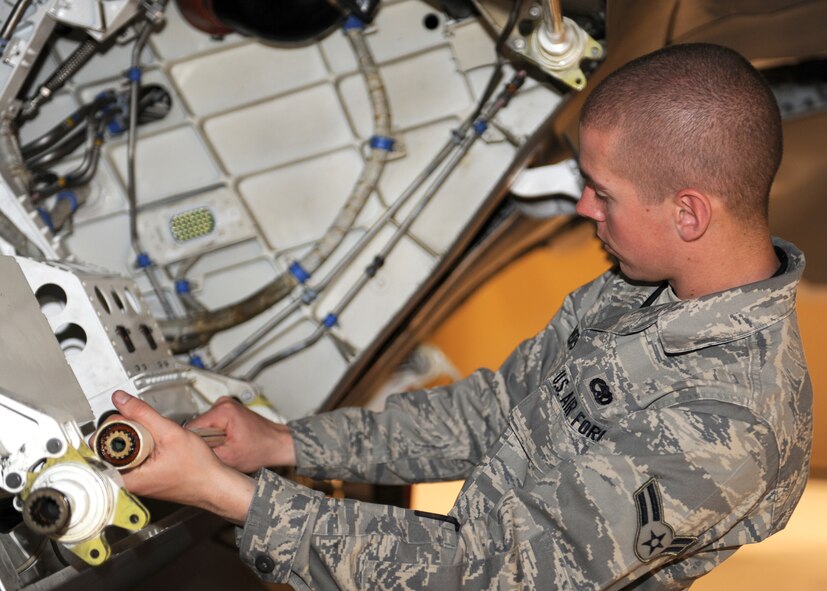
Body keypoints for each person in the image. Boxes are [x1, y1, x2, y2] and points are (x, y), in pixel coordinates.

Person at [113, 43, 812, 590]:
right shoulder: (637, 292)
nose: (583, 210)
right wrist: (283, 443)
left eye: (602, 193)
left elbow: (489, 574)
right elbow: (492, 412)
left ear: (687, 212)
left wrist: (226, 495)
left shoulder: (731, 419)